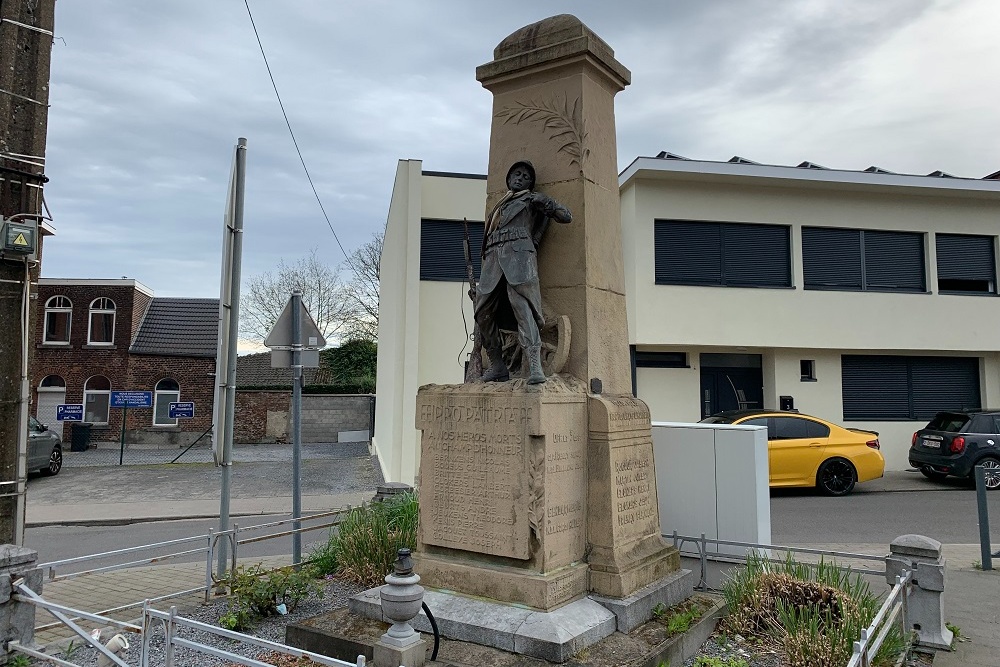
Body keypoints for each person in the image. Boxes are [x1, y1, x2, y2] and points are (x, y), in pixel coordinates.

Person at [475, 161, 572, 384]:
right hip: (493, 260)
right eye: (516, 174)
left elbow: (565, 216)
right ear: (508, 179)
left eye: (526, 176)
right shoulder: (499, 206)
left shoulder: (531, 200)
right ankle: (497, 364)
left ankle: (535, 364)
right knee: (482, 312)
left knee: (522, 307)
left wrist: (545, 200)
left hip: (519, 257)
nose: (520, 178)